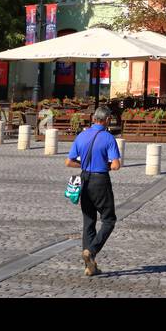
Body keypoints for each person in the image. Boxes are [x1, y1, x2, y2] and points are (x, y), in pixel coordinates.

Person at [65, 105, 122, 277]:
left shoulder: (81, 136)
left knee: (88, 221)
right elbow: (116, 165)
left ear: (93, 118)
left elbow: (68, 162)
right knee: (109, 220)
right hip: (100, 181)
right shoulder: (108, 137)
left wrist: (85, 165)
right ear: (106, 120)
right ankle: (91, 250)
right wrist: (105, 166)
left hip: (84, 180)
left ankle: (89, 266)